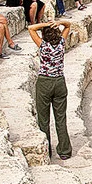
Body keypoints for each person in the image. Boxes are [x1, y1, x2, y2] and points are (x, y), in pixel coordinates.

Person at [27, 18, 74, 159]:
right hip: (59, 82)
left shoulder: (43, 45)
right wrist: (58, 23)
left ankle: (47, 149)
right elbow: (68, 25)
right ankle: (64, 151)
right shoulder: (61, 44)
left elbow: (31, 28)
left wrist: (45, 25)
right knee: (60, 118)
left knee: (43, 119)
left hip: (44, 82)